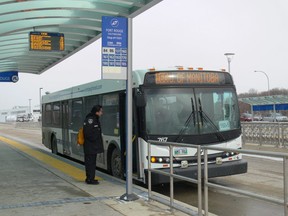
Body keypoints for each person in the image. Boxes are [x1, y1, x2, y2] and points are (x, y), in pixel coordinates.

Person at [83, 105, 104, 185]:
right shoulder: (90, 120)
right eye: (101, 111)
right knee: (90, 163)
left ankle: (91, 178)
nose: (102, 113)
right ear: (97, 112)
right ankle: (89, 179)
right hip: (90, 146)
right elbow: (88, 133)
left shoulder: (95, 119)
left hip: (92, 146)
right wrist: (95, 139)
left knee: (92, 163)